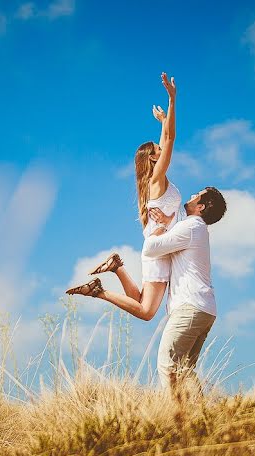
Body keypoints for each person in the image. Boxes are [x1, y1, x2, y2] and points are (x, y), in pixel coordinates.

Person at [66, 72, 179, 322]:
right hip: (158, 249)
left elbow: (166, 137)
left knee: (139, 300)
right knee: (146, 312)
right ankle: (99, 292)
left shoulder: (154, 181)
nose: (163, 149)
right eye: (158, 151)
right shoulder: (156, 180)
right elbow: (170, 139)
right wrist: (172, 100)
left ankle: (117, 267)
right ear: (152, 158)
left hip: (156, 247)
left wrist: (163, 122)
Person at [143, 187, 227, 390]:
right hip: (203, 309)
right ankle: (198, 415)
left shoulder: (191, 226)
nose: (191, 196)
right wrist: (167, 223)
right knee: (185, 369)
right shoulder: (195, 228)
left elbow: (150, 248)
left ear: (201, 206)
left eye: (196, 195)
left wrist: (160, 226)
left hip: (190, 307)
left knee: (168, 363)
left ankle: (177, 416)